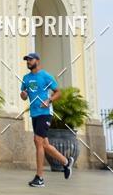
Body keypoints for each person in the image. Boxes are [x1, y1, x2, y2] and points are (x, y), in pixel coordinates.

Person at [20, 52, 73, 187]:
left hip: (45, 113)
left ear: (37, 61)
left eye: (30, 60)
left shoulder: (45, 76)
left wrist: (49, 100)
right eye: (27, 60)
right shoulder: (26, 78)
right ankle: (66, 162)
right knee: (44, 145)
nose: (28, 62)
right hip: (34, 114)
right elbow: (24, 96)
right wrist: (23, 94)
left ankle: (40, 178)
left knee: (37, 141)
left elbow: (58, 92)